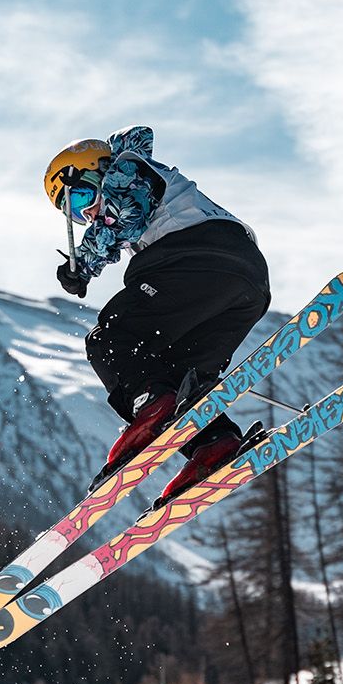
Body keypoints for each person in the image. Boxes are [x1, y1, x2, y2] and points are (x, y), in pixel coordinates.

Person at [44, 125, 270, 501]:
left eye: (82, 196)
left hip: (198, 260)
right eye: (76, 213)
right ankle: (213, 442)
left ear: (95, 169)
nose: (87, 212)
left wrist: (82, 263)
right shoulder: (142, 176)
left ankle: (149, 405)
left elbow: (124, 212)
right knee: (175, 377)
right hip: (243, 286)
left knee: (111, 340)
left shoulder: (127, 169)